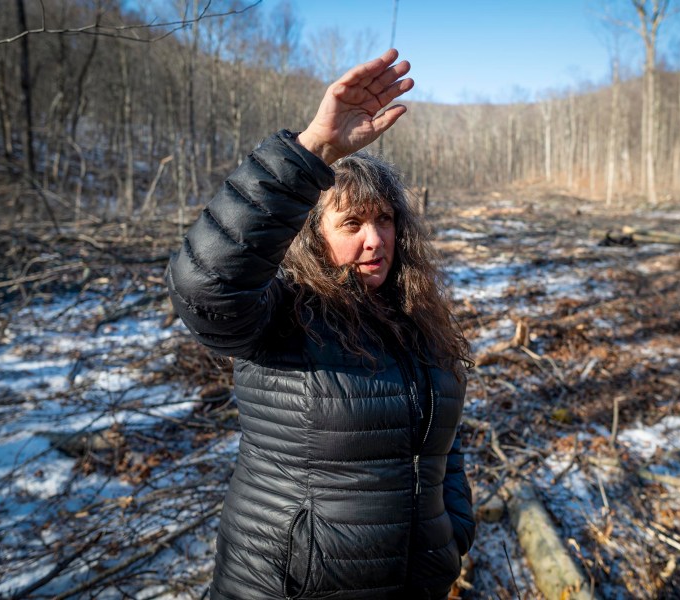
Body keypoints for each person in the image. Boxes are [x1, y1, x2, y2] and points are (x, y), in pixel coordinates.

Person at [167, 49, 475, 600]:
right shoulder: (284, 315)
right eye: (352, 222)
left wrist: (452, 529)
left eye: (384, 220)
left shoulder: (416, 319)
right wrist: (314, 151)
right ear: (312, 235)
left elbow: (443, 443)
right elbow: (204, 286)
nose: (375, 239)